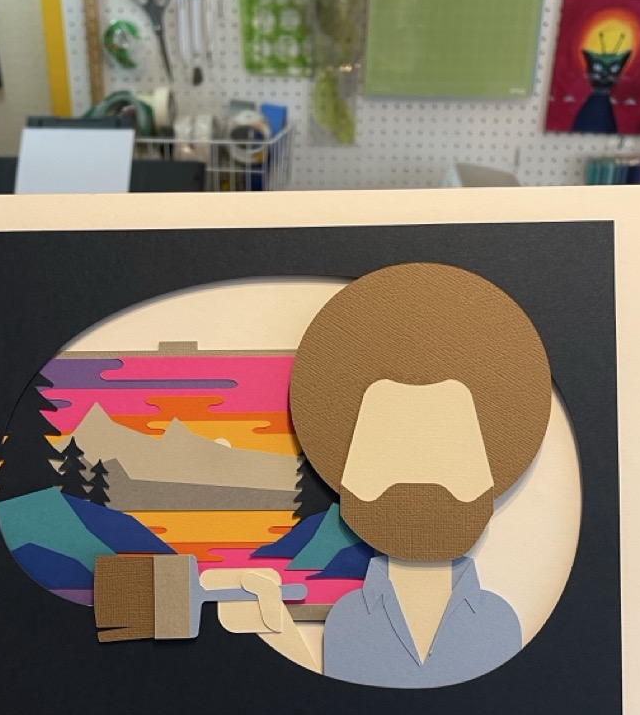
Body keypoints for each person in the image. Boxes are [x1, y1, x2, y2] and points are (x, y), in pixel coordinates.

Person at [218, 262, 554, 688]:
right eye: (391, 448)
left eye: (444, 447)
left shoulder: (496, 624)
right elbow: (341, 708)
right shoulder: (350, 619)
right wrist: (275, 626)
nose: (417, 484)